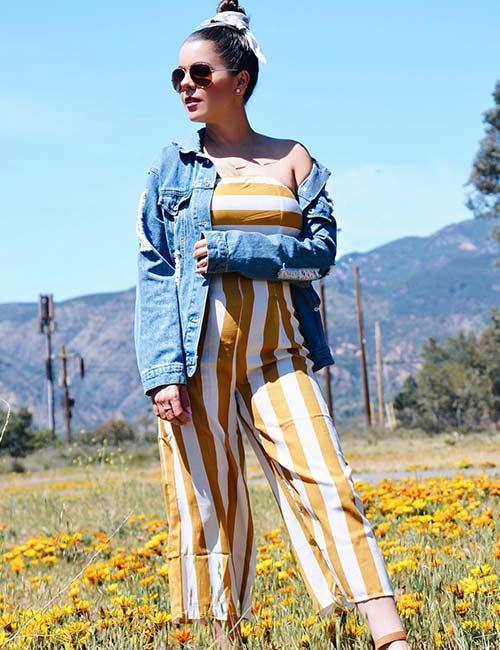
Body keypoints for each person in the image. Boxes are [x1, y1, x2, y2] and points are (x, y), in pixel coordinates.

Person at [134, 2, 410, 649]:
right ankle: (220, 639)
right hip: (193, 361)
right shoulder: (171, 170)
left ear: (240, 80)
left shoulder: (292, 158)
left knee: (328, 482)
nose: (185, 86)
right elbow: (153, 271)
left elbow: (321, 252)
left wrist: (239, 251)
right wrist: (160, 374)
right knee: (209, 508)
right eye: (176, 76)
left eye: (199, 72)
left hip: (279, 354)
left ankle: (389, 635)